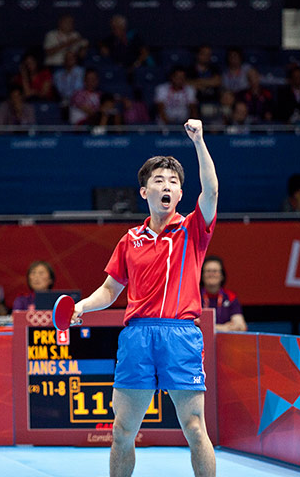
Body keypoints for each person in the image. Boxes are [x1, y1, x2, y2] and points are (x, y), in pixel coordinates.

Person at [67, 119, 217, 477]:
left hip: (180, 335)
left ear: (180, 194)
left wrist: (199, 142)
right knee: (121, 432)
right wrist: (82, 306)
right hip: (136, 336)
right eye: (159, 180)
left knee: (195, 428)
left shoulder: (193, 229)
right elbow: (109, 290)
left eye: (173, 182)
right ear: (144, 191)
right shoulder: (128, 240)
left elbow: (211, 191)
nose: (166, 186)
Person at [200, 256, 246, 332]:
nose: (211, 274)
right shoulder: (194, 297)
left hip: (225, 341)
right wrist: (223, 328)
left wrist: (209, 328)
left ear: (222, 275)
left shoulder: (230, 296)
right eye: (208, 271)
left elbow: (241, 326)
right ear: (202, 275)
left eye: (215, 271)